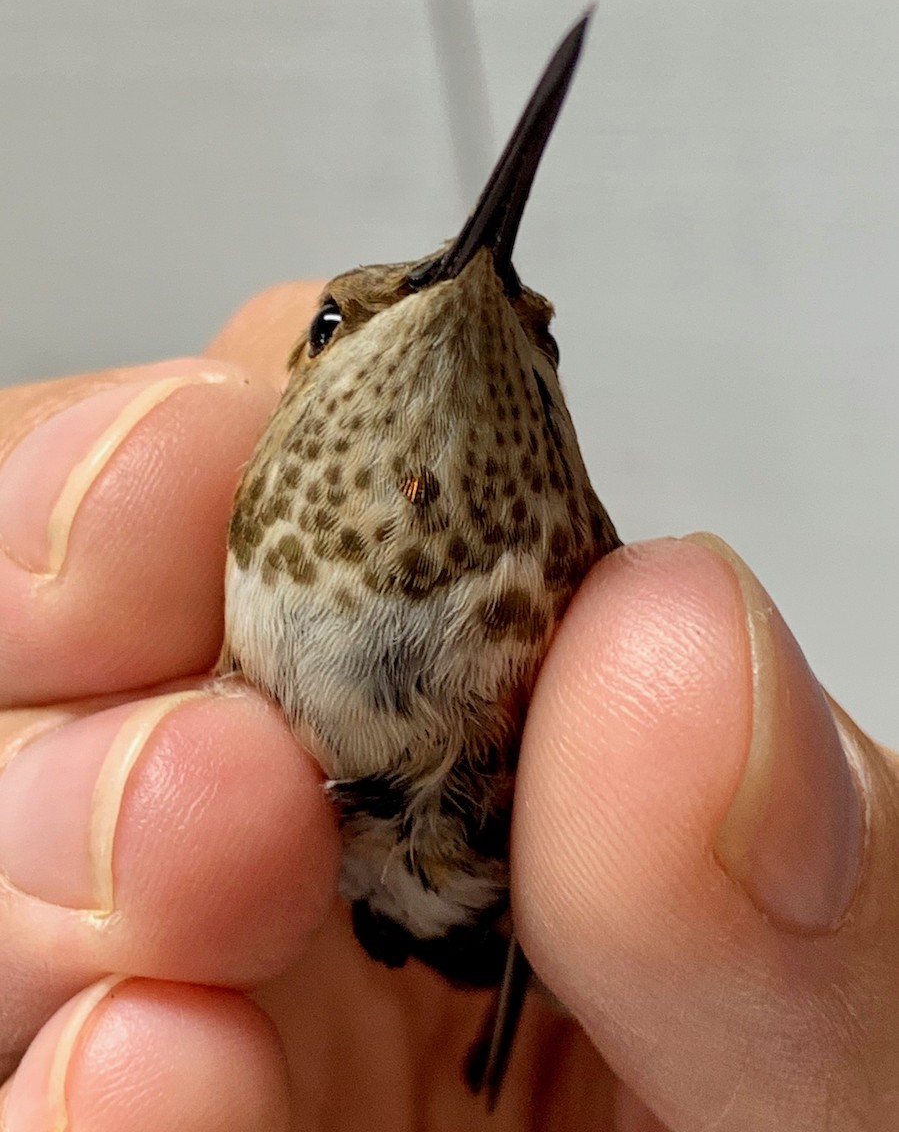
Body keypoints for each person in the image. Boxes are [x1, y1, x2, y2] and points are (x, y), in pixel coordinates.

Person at [0, 282, 894, 1132]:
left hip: (487, 902)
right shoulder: (246, 489)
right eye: (332, 328)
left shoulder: (586, 570)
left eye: (534, 337)